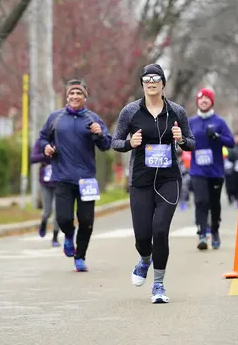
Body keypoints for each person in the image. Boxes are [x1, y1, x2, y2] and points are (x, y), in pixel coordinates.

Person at [112, 64, 195, 304]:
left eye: (156, 78)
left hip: (169, 179)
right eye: (147, 78)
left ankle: (158, 284)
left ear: (162, 83)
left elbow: (191, 143)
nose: (151, 82)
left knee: (160, 230)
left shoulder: (176, 111)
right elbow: (114, 142)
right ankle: (144, 259)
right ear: (142, 84)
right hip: (141, 180)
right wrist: (130, 143)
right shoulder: (130, 112)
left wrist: (181, 139)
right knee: (142, 236)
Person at [38, 79, 112, 272]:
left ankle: (80, 257)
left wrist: (100, 134)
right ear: (67, 96)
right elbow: (43, 137)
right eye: (71, 93)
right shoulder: (55, 118)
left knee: (86, 221)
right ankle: (69, 236)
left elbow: (106, 145)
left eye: (79, 94)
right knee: (63, 218)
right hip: (62, 177)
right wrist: (46, 147)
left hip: (86, 178)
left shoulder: (92, 119)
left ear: (84, 97)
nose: (75, 97)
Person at [188, 88, 234, 251]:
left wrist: (217, 137)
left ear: (211, 102)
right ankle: (202, 234)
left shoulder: (219, 122)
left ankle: (214, 231)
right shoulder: (191, 122)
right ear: (197, 102)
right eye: (200, 99)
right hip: (197, 170)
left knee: (214, 203)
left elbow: (231, 142)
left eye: (207, 99)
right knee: (201, 201)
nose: (203, 101)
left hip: (215, 171)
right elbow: (184, 141)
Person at [30, 137, 60, 247]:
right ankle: (43, 222)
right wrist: (45, 154)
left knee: (58, 210)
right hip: (45, 182)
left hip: (59, 180)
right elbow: (32, 158)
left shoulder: (61, 138)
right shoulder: (40, 141)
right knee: (47, 211)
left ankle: (55, 237)